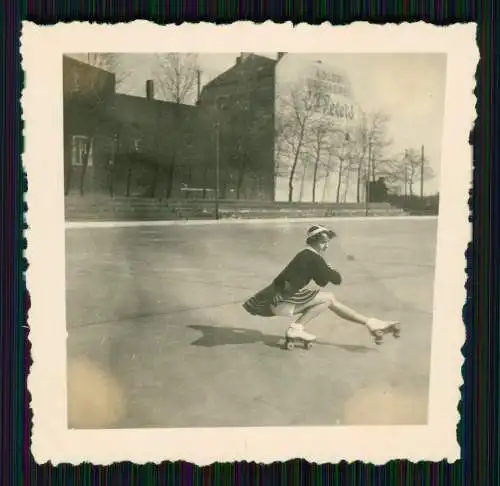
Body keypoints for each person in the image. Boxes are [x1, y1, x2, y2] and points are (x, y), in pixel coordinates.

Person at [243, 224, 399, 343]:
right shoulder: (312, 257)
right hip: (283, 300)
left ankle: (370, 323)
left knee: (326, 301)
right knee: (329, 298)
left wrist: (326, 270)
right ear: (314, 241)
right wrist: (331, 269)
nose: (327, 245)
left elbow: (321, 281)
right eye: (324, 242)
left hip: (278, 300)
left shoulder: (305, 255)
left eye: (328, 242)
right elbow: (337, 280)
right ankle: (370, 323)